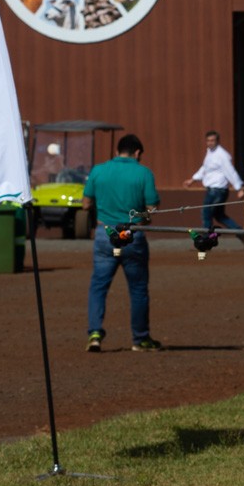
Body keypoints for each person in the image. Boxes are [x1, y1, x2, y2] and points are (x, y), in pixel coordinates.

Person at [82, 133, 162, 352]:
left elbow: (86, 204)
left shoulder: (98, 170)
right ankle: (140, 338)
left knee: (98, 286)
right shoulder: (143, 173)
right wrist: (143, 216)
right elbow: (152, 207)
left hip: (104, 235)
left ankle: (95, 333)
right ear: (137, 153)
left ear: (117, 151)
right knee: (137, 290)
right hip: (132, 236)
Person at [182, 129, 244, 250]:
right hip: (213, 189)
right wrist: (193, 179)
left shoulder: (222, 155)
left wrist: (239, 187)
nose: (210, 143)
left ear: (217, 141)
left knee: (206, 213)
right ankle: (243, 235)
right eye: (208, 140)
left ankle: (206, 242)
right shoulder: (209, 152)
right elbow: (205, 168)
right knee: (219, 215)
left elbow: (230, 171)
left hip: (218, 190)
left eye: (213, 140)